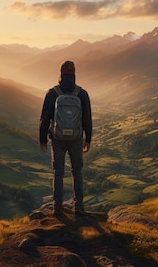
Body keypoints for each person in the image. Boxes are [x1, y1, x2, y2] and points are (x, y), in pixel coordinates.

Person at [39, 60, 92, 216]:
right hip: (76, 139)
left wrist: (42, 139)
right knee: (77, 171)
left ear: (61, 74)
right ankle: (79, 207)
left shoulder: (53, 93)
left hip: (58, 138)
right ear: (74, 74)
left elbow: (45, 118)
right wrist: (88, 139)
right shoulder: (82, 94)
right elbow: (87, 119)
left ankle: (57, 208)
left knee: (58, 172)